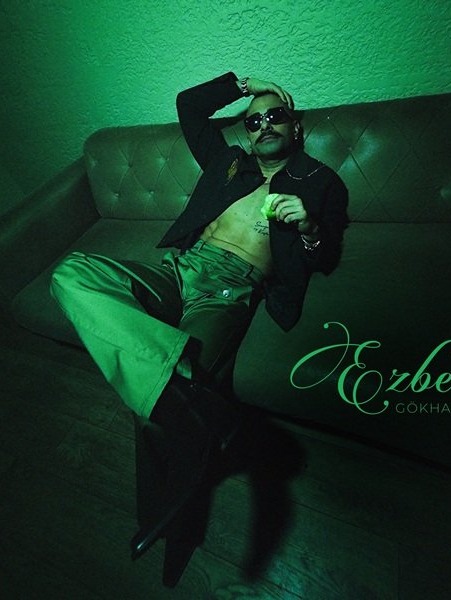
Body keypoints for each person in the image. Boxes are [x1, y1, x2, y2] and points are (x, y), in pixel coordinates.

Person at [50, 72, 349, 577]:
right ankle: (189, 397)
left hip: (228, 289)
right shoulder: (228, 162)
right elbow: (189, 106)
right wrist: (242, 84)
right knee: (71, 274)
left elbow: (326, 256)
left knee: (153, 407)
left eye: (276, 116)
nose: (264, 125)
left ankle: (173, 526)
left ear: (295, 127)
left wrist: (308, 226)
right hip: (180, 269)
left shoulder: (320, 181)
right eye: (254, 121)